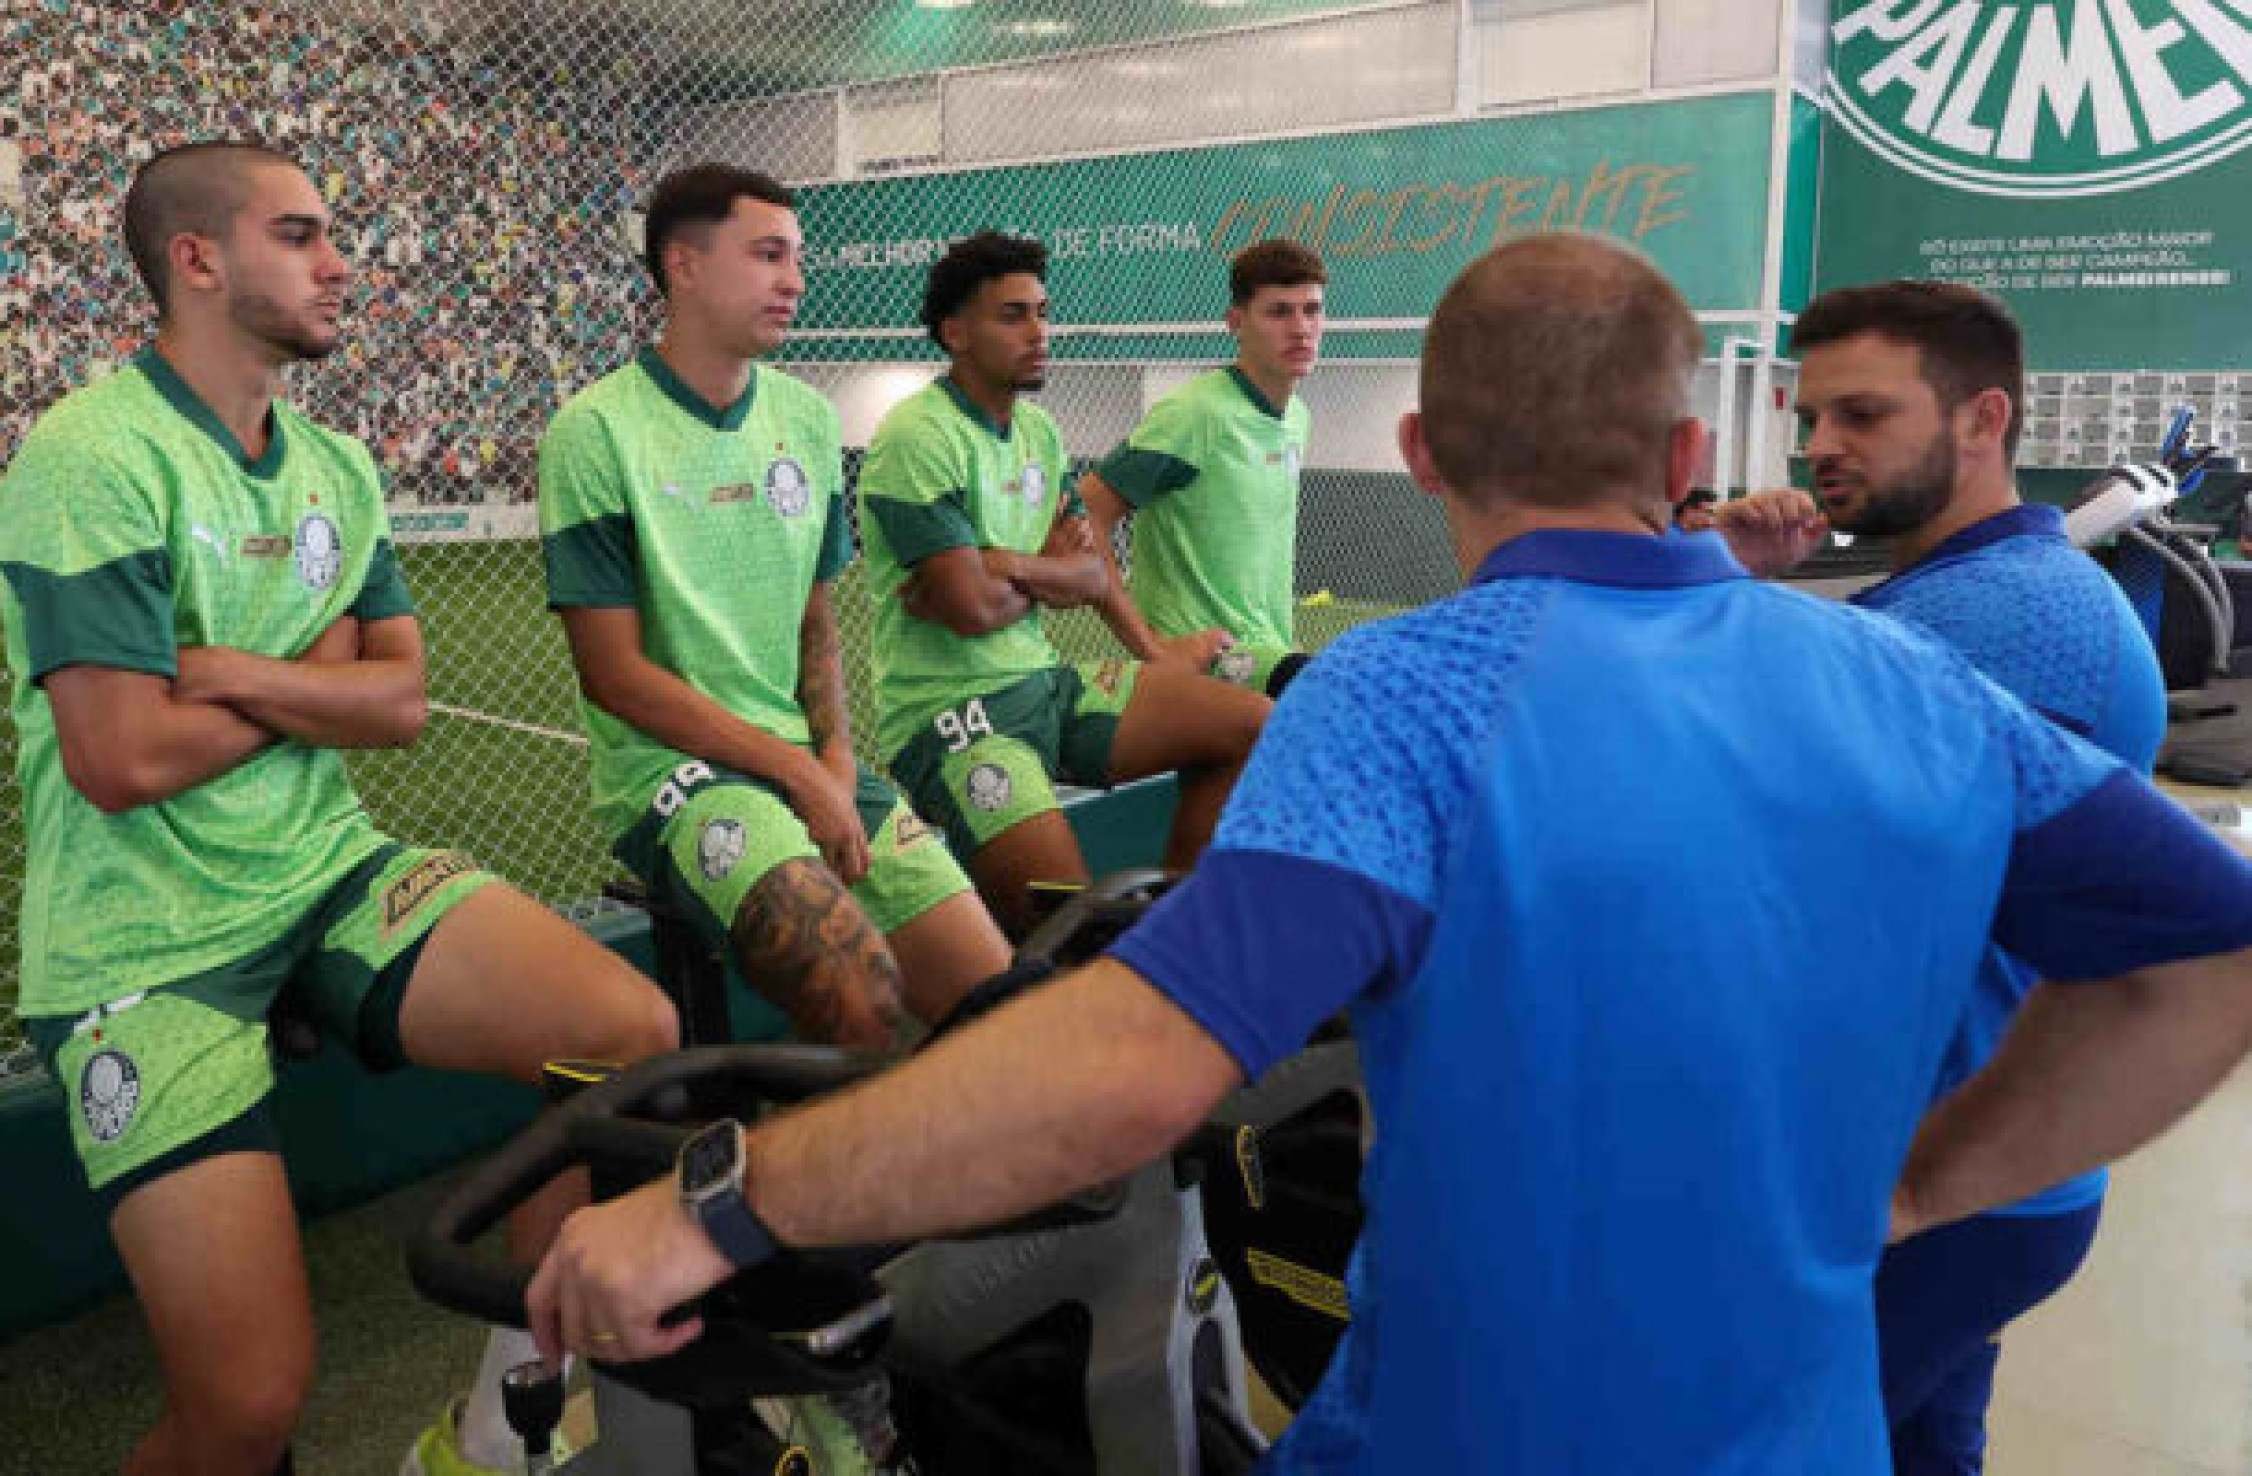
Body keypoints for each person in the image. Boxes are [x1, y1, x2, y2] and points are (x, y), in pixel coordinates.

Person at [523, 234, 2252, 1470]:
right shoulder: (1915, 688)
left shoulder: (1407, 695)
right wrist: (1931, 1183)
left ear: (1417, 453)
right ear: (1685, 456)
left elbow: (1130, 1072)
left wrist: (723, 1206)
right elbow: (2211, 950)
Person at [0, 141, 678, 1476]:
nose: (340, 264)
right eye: (301, 235)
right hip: (145, 938)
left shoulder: (337, 466)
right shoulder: (91, 456)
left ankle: (508, 1428)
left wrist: (233, 671)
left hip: (324, 868)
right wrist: (320, 680)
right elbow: (121, 759)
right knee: (247, 1410)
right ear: (197, 259)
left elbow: (405, 702)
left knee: (624, 1031)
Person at [1710, 279, 2168, 1475]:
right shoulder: (1961, 597)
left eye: (1861, 415)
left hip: (1932, 1186)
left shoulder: (2002, 621)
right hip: (1964, 1166)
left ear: (1981, 419)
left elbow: (1732, 841)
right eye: (1810, 416)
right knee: (1919, 1449)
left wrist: (1695, 581)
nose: (1818, 446)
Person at [539, 163, 1011, 1052]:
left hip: (806, 761)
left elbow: (815, 623)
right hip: (676, 779)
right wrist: (795, 773)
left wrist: (834, 759)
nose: (794, 279)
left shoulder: (808, 419)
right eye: (767, 255)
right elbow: (614, 677)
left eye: (797, 257)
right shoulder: (595, 432)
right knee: (860, 996)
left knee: (996, 998)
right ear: (683, 266)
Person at [854, 231, 1269, 933]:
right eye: (1013, 316)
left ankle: (1175, 936)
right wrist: (1044, 573)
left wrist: (1009, 562)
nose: (1039, 332)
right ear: (955, 333)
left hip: (1044, 685)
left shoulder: (1038, 433)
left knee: (1254, 727)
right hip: (954, 716)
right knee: (1072, 922)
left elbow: (1091, 570)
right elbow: (970, 607)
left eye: (1043, 313)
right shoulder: (918, 437)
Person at [1078, 238, 1326, 698]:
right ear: (1236, 322)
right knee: (1338, 693)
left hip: (1268, 652)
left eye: (1311, 310)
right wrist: (1152, 646)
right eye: (1279, 312)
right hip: (1211, 663)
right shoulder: (1195, 415)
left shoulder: (1297, 417)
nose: (1300, 328)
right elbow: (1086, 511)